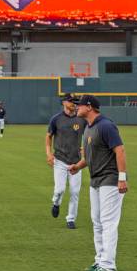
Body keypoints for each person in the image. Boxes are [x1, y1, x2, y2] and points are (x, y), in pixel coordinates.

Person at [68, 95, 128, 271]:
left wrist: (122, 178)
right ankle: (101, 260)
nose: (76, 108)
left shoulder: (105, 125)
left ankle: (108, 266)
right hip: (95, 180)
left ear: (89, 106)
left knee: (108, 222)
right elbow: (89, 157)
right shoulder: (89, 128)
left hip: (110, 179)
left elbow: (120, 150)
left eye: (79, 105)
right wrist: (78, 166)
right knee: (97, 221)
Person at [46, 93, 86, 229]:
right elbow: (48, 137)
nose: (73, 104)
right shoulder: (56, 119)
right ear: (64, 102)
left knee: (75, 192)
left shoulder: (81, 119)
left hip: (76, 162)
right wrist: (49, 154)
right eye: (71, 101)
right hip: (60, 160)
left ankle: (71, 218)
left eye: (75, 101)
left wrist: (84, 148)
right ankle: (56, 203)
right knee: (60, 190)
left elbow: (88, 135)